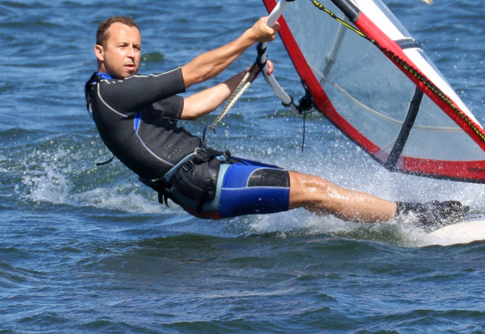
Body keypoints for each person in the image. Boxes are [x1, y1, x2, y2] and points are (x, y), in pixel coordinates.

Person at [84, 14, 462, 226]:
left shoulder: (130, 94)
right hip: (202, 182)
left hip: (208, 174)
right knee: (312, 190)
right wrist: (250, 35)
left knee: (309, 190)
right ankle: (416, 218)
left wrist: (248, 73)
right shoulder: (111, 94)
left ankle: (397, 218)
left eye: (136, 46)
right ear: (100, 52)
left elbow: (195, 105)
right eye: (123, 46)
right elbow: (196, 72)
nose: (132, 54)